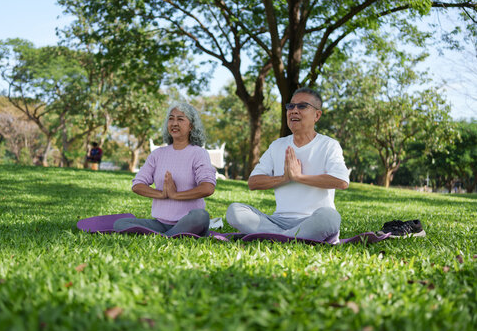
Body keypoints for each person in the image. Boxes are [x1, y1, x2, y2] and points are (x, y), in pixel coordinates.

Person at [226, 88, 350, 243]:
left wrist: (299, 177)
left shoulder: (329, 145)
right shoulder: (277, 145)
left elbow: (341, 181)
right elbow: (253, 182)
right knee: (235, 211)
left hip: (313, 219)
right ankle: (291, 238)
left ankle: (277, 237)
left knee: (330, 217)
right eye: (291, 106)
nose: (294, 111)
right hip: (278, 221)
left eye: (302, 106)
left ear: (317, 115)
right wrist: (285, 178)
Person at [113, 102, 216, 237]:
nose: (174, 123)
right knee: (120, 224)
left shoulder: (198, 153)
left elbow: (208, 188)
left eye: (180, 119)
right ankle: (171, 235)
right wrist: (162, 194)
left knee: (201, 216)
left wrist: (175, 195)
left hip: (188, 220)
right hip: (160, 223)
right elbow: (137, 185)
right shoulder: (158, 154)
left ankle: (166, 236)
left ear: (191, 126)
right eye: (171, 119)